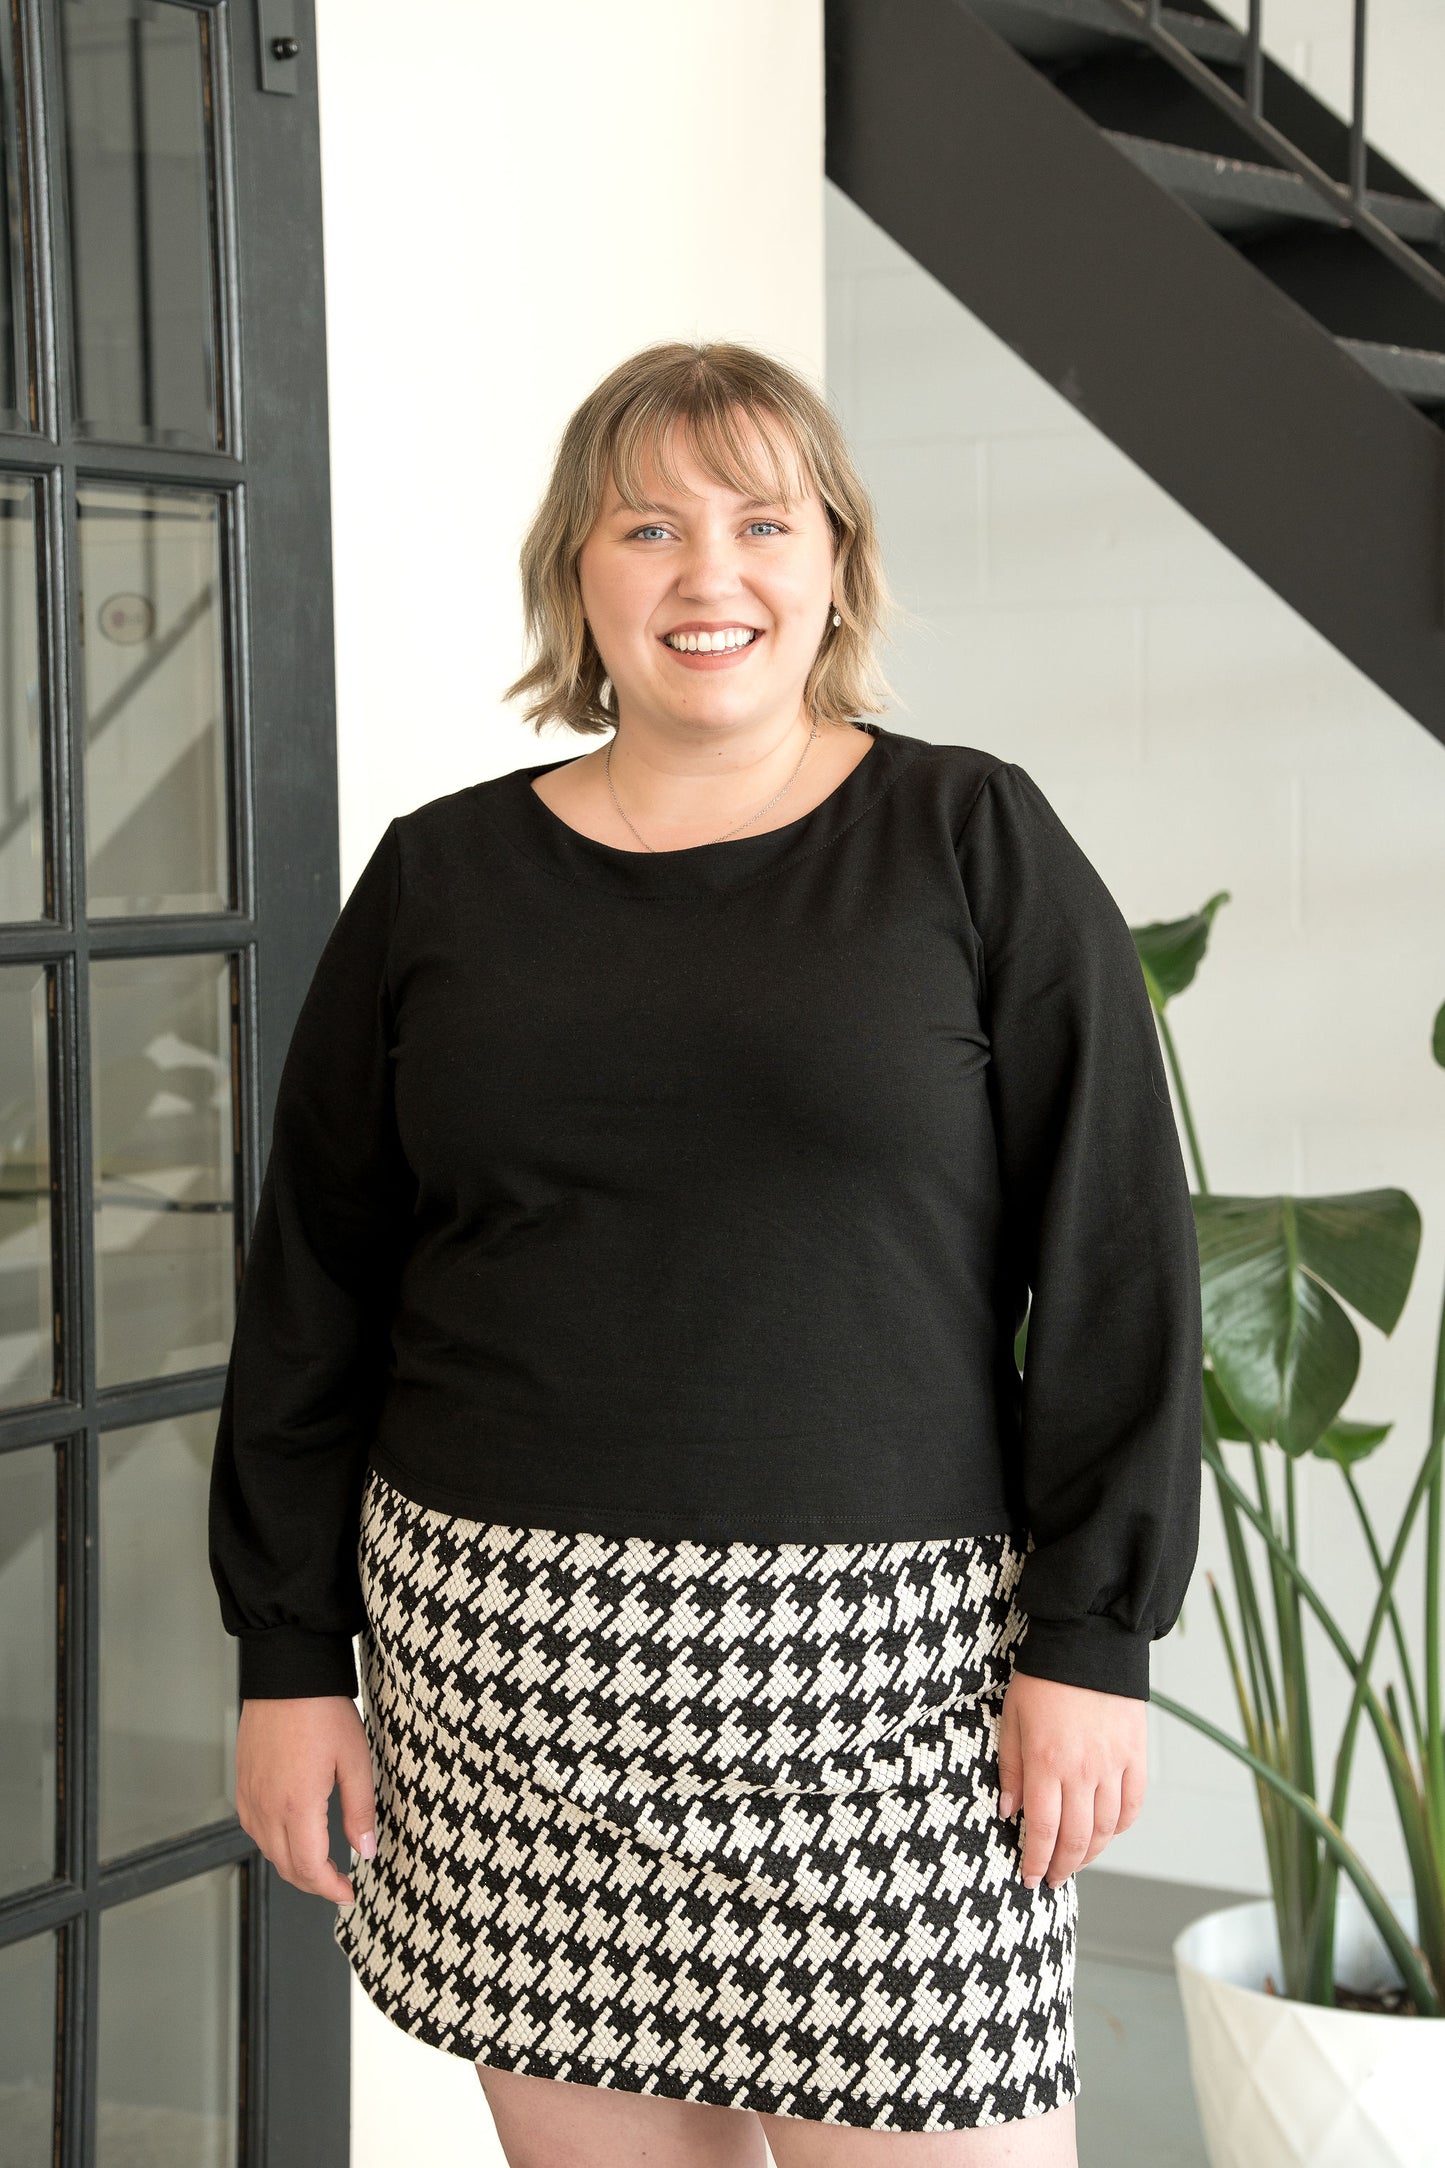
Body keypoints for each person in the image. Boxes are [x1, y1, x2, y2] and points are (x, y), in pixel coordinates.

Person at [209, 339, 1202, 2166]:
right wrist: (290, 1657)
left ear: (833, 562)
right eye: (645, 527)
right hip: (507, 1665)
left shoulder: (970, 836)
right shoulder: (441, 880)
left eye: (761, 522)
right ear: (576, 577)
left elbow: (1119, 1253)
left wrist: (1091, 1636)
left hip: (891, 1677)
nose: (706, 575)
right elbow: (317, 1284)